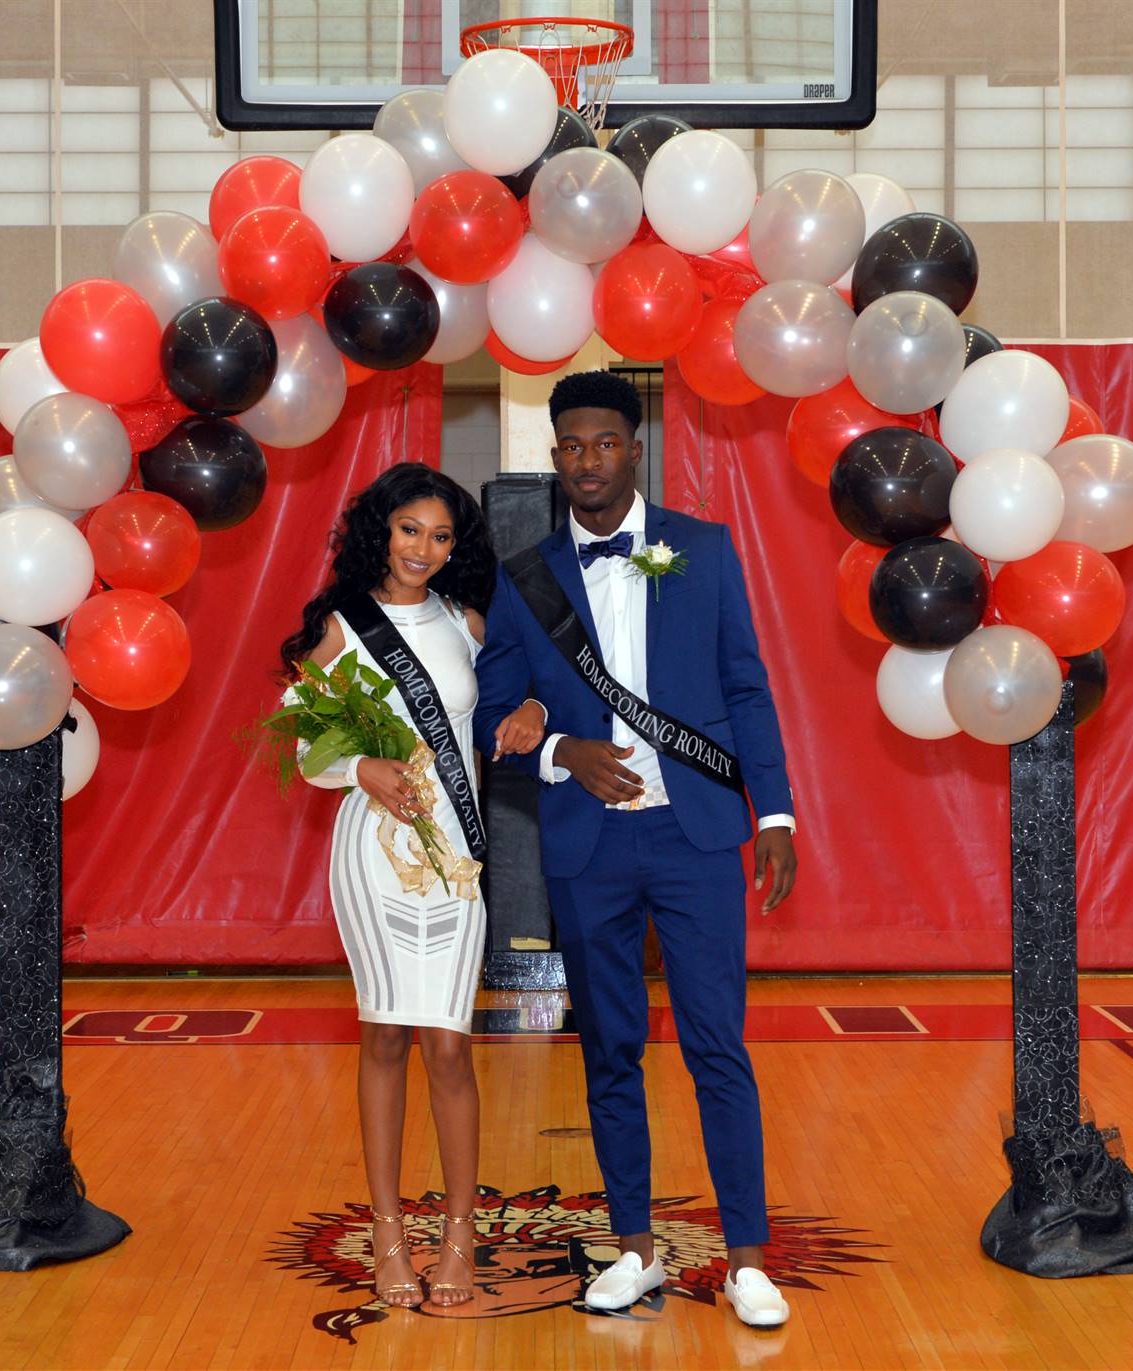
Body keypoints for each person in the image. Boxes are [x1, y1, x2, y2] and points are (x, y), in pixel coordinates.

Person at [475, 371, 801, 1329]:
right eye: (570, 446)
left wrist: (774, 813)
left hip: (696, 837)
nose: (587, 461)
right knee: (611, 1049)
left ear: (634, 448)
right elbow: (497, 711)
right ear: (555, 456)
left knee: (716, 1045)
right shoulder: (525, 574)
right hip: (588, 846)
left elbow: (746, 686)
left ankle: (745, 1260)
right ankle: (634, 1249)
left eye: (604, 443)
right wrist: (564, 752)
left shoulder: (702, 549)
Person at [279, 462, 504, 1310]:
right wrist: (362, 765)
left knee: (447, 1042)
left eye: (442, 535)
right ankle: (385, 1229)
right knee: (383, 1036)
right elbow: (306, 750)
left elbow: (509, 707)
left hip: (456, 856)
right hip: (372, 852)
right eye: (410, 529)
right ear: (381, 529)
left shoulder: (467, 622)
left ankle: (457, 1232)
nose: (424, 548)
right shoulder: (339, 628)